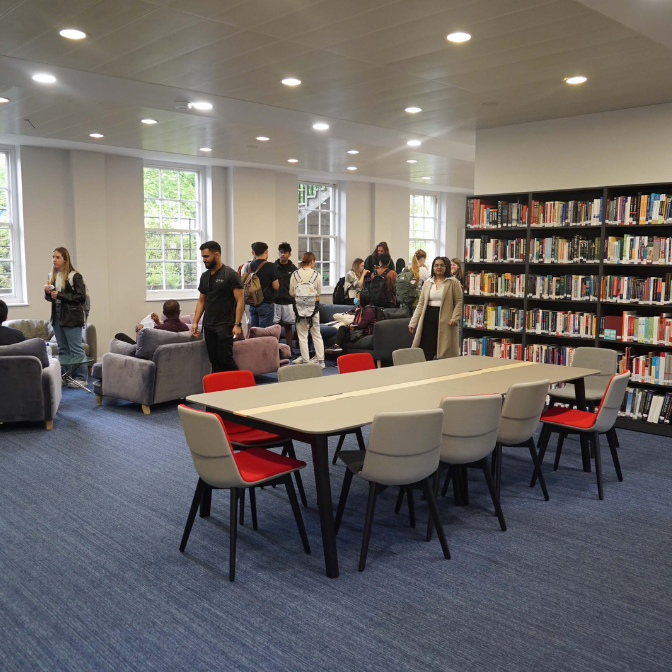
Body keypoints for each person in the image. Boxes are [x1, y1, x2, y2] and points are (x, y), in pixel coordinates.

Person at [193, 241, 244, 373]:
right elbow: (201, 301)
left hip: (225, 325)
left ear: (216, 255)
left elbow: (240, 301)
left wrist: (237, 324)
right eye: (203, 257)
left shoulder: (230, 275)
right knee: (214, 362)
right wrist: (195, 321)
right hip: (208, 325)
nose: (204, 260)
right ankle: (219, 391)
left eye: (206, 256)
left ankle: (244, 388)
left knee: (225, 360)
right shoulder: (205, 277)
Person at [44, 247, 88, 386]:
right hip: (57, 314)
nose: (54, 260)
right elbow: (52, 299)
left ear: (65, 259)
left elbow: (81, 297)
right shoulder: (52, 275)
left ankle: (81, 378)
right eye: (53, 257)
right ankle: (66, 376)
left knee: (75, 348)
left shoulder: (75, 276)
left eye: (57, 257)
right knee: (62, 347)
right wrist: (47, 293)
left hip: (72, 316)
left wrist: (60, 295)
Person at [409, 256, 463, 360]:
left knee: (444, 351)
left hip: (446, 320)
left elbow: (459, 302)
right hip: (428, 318)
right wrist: (413, 322)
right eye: (436, 265)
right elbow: (420, 304)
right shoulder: (428, 282)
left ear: (446, 267)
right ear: (433, 267)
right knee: (427, 348)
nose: (439, 267)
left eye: (442, 265)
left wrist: (455, 318)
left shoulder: (453, 282)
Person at [289, 252, 324, 368]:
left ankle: (305, 360)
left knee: (302, 335)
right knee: (316, 333)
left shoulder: (295, 274)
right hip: (313, 308)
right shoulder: (316, 275)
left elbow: (291, 292)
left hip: (299, 309)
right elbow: (319, 292)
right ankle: (320, 360)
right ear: (312, 261)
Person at [114, 300, 190, 344]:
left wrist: (138, 331)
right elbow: (170, 330)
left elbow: (140, 347)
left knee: (119, 335)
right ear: (179, 312)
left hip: (148, 358)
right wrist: (158, 322)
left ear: (164, 313)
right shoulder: (185, 328)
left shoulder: (158, 329)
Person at [325, 290, 377, 355]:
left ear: (362, 299)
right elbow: (354, 322)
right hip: (357, 330)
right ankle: (336, 347)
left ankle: (339, 353)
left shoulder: (369, 310)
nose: (356, 298)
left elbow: (362, 325)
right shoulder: (358, 311)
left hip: (365, 332)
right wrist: (351, 325)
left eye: (357, 297)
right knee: (342, 328)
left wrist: (353, 326)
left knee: (343, 336)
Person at [245, 241, 280, 329]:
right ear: (266, 252)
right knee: (264, 333)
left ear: (253, 252)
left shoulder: (248, 266)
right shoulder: (271, 266)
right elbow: (276, 286)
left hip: (252, 303)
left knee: (254, 331)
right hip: (266, 303)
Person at [273, 242, 297, 346]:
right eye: (281, 252)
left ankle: (289, 350)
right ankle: (274, 349)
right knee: (275, 327)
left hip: (288, 302)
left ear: (289, 254)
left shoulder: (294, 269)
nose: (283, 254)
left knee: (288, 327)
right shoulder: (273, 267)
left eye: (285, 252)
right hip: (276, 301)